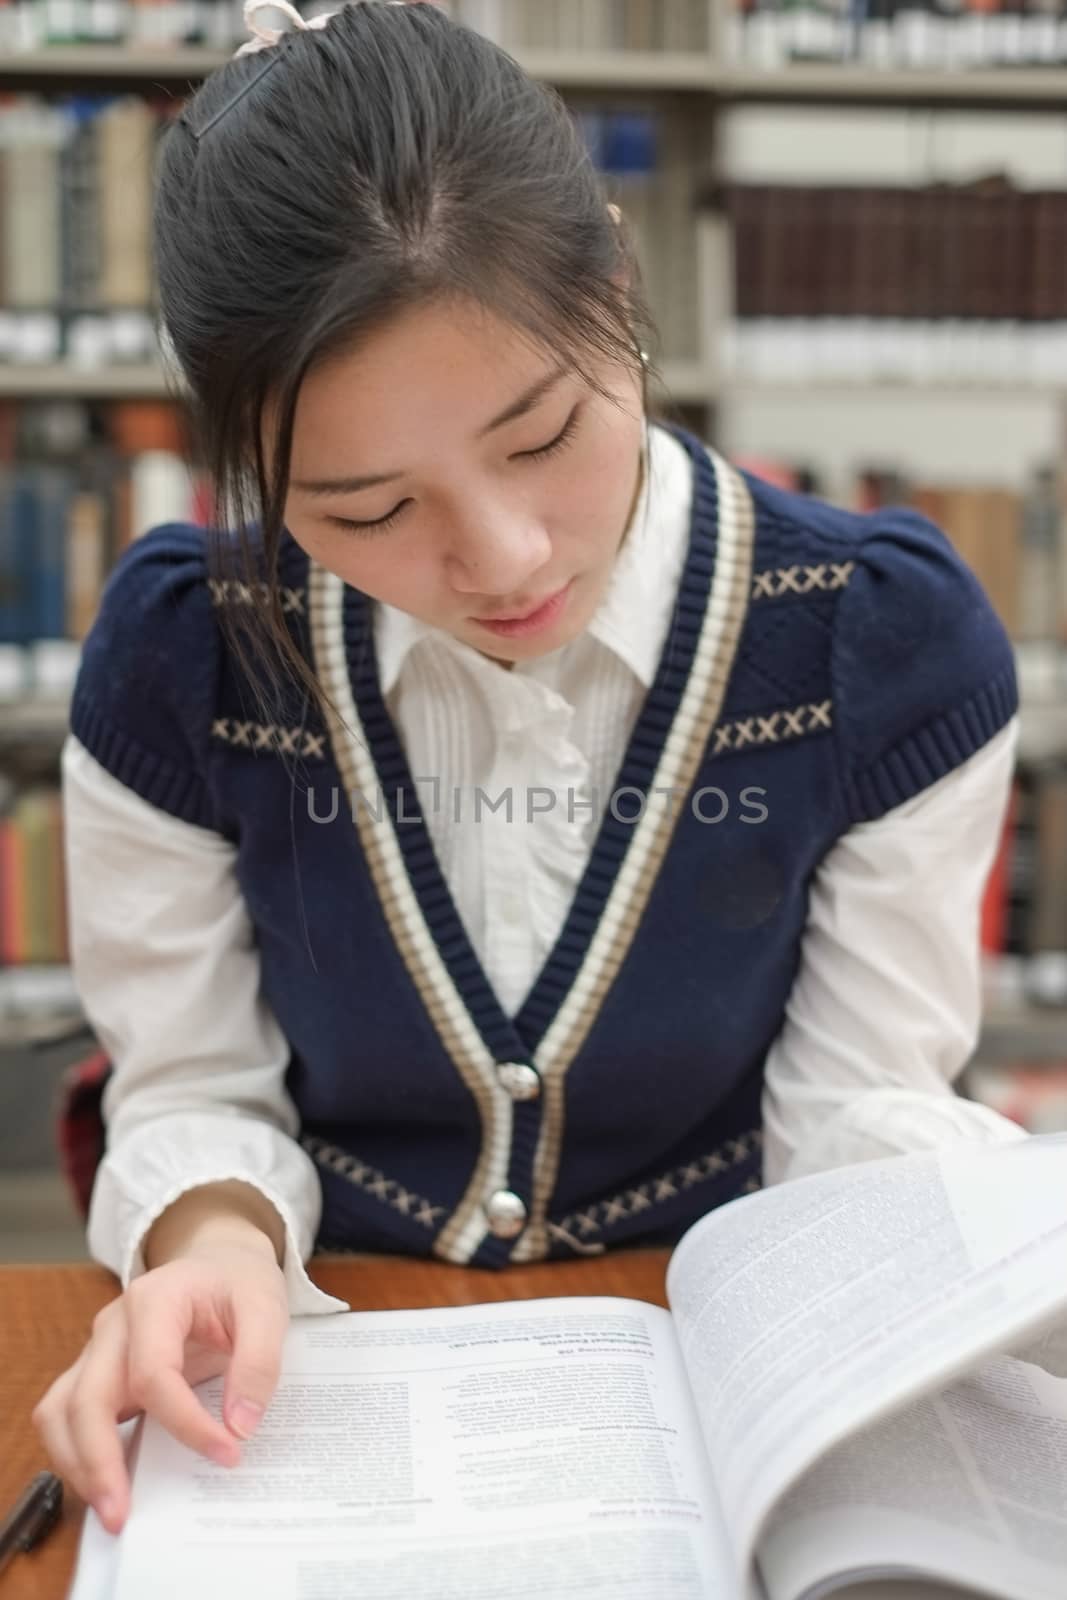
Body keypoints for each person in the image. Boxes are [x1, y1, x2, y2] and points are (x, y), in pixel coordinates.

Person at [33, 0, 1027, 1540]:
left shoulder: (875, 648)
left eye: (546, 432)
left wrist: (995, 1239)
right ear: (241, 467)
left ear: (619, 287)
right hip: (328, 1373)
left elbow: (854, 1115)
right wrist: (215, 1246)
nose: (501, 560)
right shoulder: (186, 658)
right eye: (367, 511)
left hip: (725, 1388)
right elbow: (197, 1085)